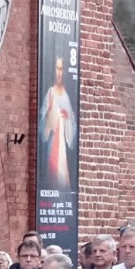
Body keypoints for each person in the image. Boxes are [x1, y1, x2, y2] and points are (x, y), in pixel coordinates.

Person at [39, 56, 76, 190]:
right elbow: (42, 123)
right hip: (52, 145)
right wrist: (49, 113)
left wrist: (68, 118)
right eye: (57, 68)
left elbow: (72, 121)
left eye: (61, 69)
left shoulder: (66, 96)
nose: (59, 72)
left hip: (62, 149)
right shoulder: (50, 93)